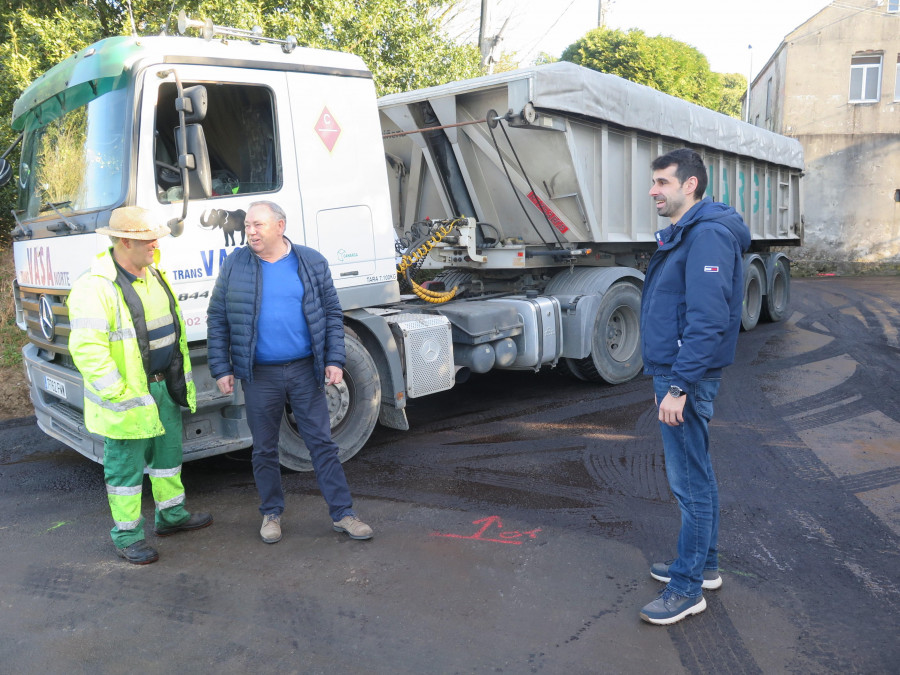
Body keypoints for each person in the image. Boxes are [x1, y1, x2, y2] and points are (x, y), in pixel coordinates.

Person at [206, 200, 372, 544]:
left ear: (280, 226)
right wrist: (222, 367)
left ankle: (343, 514)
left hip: (303, 370)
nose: (249, 231)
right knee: (264, 449)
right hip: (259, 375)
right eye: (248, 225)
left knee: (322, 444)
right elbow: (218, 317)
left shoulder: (310, 261)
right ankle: (271, 514)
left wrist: (334, 359)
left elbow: (331, 312)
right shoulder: (235, 264)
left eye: (257, 225)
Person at [638, 148, 750, 625]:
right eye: (654, 182)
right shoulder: (692, 232)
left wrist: (679, 386)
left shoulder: (705, 236)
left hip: (685, 376)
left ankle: (687, 589)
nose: (653, 190)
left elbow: (709, 320)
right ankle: (703, 567)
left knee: (690, 484)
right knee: (695, 476)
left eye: (662, 182)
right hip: (679, 371)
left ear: (690, 186)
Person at [67, 207, 213, 565]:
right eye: (148, 239)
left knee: (167, 458)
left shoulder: (153, 273)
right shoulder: (95, 286)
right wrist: (120, 393)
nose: (156, 243)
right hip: (129, 398)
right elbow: (87, 350)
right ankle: (128, 536)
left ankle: (171, 516)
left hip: (161, 389)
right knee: (125, 472)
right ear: (124, 241)